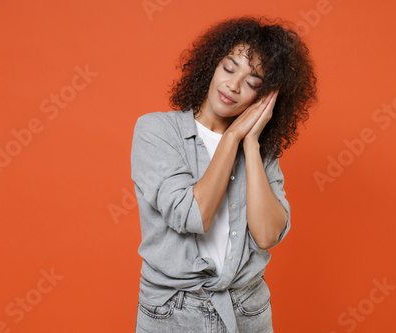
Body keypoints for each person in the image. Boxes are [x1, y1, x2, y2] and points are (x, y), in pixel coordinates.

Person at [131, 15, 317, 333]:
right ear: (212, 65)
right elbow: (193, 215)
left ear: (265, 99)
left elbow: (268, 234)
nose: (233, 85)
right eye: (229, 68)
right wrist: (231, 138)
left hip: (247, 308)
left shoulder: (261, 153)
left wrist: (252, 143)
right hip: (172, 312)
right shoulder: (157, 130)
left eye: (253, 82)